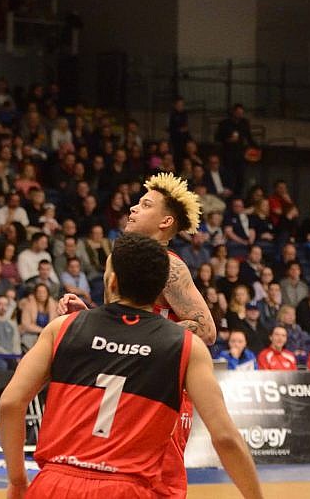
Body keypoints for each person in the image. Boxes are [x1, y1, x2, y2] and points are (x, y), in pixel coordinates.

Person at [0, 232, 263, 499]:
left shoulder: (62, 328)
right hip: (126, 488)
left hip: (54, 484)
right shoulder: (185, 346)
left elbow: (10, 403)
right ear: (161, 288)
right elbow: (226, 438)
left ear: (112, 281)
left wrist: (18, 481)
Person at [58, 172, 214, 499]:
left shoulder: (170, 267)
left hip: (163, 388)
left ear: (165, 221)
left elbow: (207, 330)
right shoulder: (118, 260)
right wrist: (87, 316)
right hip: (125, 385)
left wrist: (150, 338)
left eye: (145, 205)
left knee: (162, 485)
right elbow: (121, 326)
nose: (132, 209)